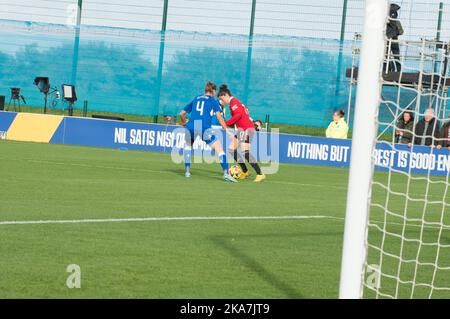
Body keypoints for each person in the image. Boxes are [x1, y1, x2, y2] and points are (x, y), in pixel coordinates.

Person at [179, 81, 237, 182]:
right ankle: (226, 174)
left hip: (191, 126)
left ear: (205, 90)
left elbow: (182, 113)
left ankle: (187, 172)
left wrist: (185, 123)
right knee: (219, 149)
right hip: (204, 128)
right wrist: (226, 130)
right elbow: (219, 117)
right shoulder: (212, 100)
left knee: (188, 146)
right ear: (213, 91)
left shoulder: (196, 98)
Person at [217, 84, 266, 182]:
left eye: (222, 99)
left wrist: (226, 123)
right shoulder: (233, 103)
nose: (222, 101)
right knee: (231, 149)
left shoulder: (233, 102)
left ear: (226, 95)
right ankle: (245, 171)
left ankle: (260, 174)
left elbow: (239, 115)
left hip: (247, 128)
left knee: (245, 152)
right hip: (241, 129)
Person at [385, 3, 404, 72]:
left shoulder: (385, 21)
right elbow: (401, 32)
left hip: (388, 40)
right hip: (393, 40)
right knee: (395, 56)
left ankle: (390, 69)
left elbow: (401, 32)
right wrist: (396, 33)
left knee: (386, 56)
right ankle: (397, 70)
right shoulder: (396, 22)